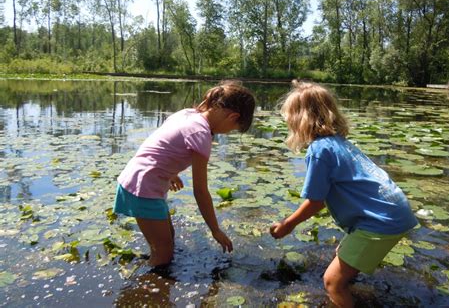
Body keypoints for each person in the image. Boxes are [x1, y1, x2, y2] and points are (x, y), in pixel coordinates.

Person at [269, 80, 418, 308]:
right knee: (341, 255)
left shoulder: (319, 150)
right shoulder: (339, 143)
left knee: (332, 283)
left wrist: (287, 224)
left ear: (301, 119)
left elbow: (316, 202)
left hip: (380, 221)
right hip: (394, 210)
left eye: (290, 117)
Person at [114, 80, 255, 269]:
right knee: (163, 253)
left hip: (140, 177)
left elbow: (162, 145)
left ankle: (154, 277)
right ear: (233, 117)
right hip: (144, 187)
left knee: (168, 238)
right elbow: (200, 191)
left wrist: (171, 173)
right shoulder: (201, 134)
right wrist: (215, 230)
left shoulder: (188, 114)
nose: (228, 133)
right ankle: (147, 287)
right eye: (233, 129)